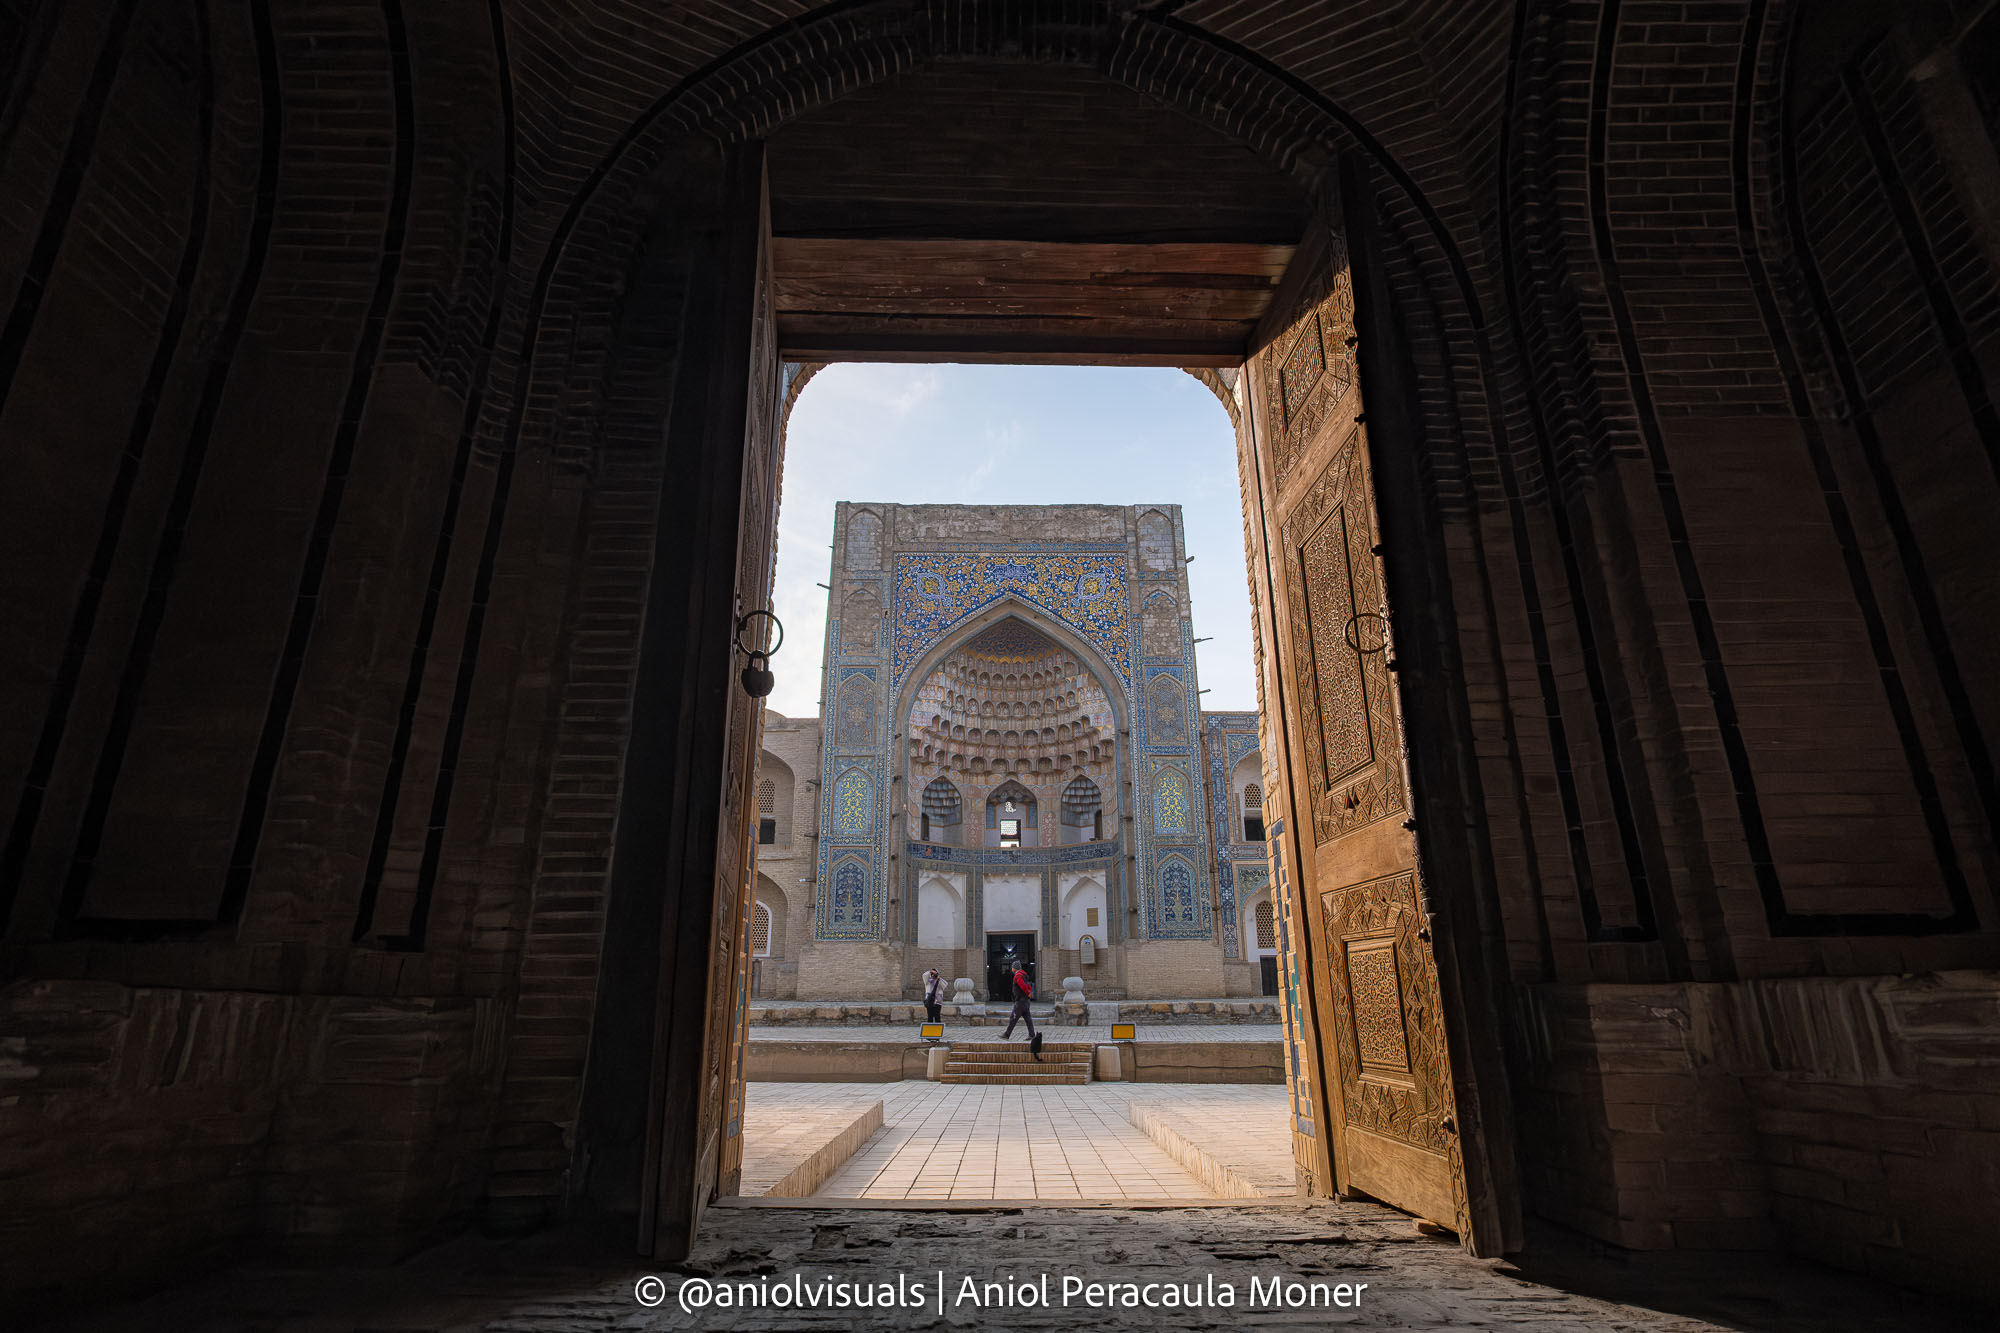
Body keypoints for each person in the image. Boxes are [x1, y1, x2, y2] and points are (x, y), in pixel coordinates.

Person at [1000, 963, 1036, 1046]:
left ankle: (1006, 1034)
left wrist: (1027, 992)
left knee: (1013, 1018)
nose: (1011, 968)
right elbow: (1028, 985)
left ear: (1015, 968)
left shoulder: (1018, 975)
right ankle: (1032, 1035)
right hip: (1026, 1001)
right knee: (1028, 1019)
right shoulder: (1024, 975)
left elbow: (1022, 985)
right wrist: (1030, 993)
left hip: (1020, 1002)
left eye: (1012, 967)